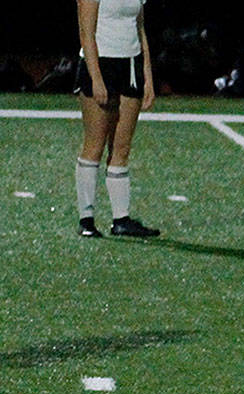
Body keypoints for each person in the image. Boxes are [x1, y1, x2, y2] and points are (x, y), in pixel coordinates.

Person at [74, 0, 160, 238]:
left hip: (130, 64)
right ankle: (86, 219)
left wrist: (148, 75)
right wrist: (96, 78)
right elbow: (86, 33)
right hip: (101, 63)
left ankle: (121, 219)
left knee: (121, 146)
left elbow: (140, 30)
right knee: (95, 144)